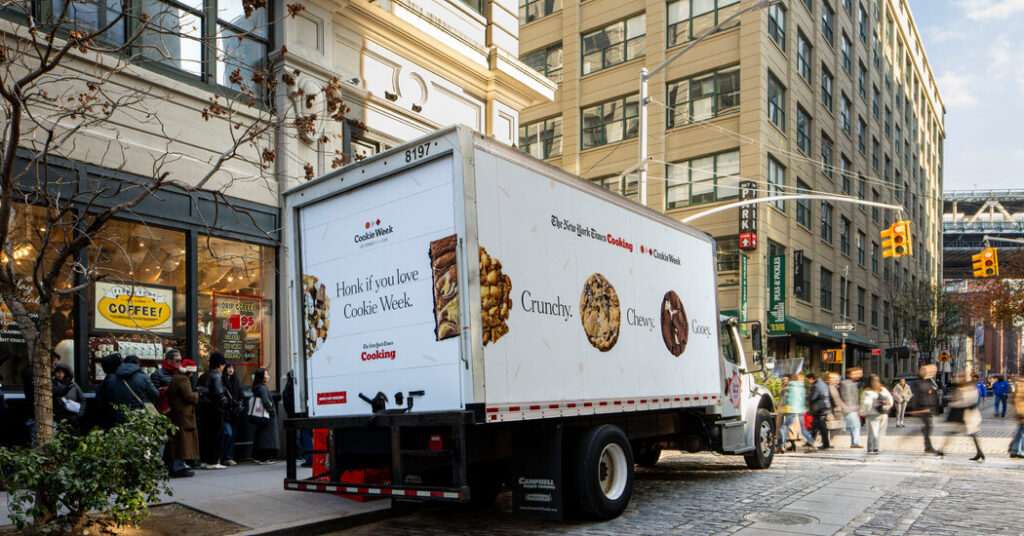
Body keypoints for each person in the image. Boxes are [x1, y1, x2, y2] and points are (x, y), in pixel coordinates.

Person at [166, 356, 199, 478]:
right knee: (182, 441)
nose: (192, 375)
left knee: (176, 441)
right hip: (183, 415)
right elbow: (189, 396)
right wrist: (197, 394)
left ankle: (175, 465)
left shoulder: (175, 378)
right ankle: (178, 466)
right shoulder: (183, 380)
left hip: (176, 413)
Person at [942, 371, 985, 461]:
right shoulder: (962, 387)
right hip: (961, 415)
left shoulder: (968, 387)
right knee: (953, 432)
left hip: (968, 415)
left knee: (970, 433)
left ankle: (979, 452)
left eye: (960, 377)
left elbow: (966, 401)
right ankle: (942, 450)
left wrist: (953, 403)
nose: (958, 379)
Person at [197, 352, 229, 469]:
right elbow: (219, 394)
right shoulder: (216, 376)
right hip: (215, 410)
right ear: (220, 365)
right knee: (216, 436)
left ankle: (205, 460)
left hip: (204, 410)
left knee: (206, 436)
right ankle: (214, 461)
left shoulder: (203, 376)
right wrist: (225, 403)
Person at [106, 355, 159, 423]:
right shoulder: (143, 377)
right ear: (137, 364)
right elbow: (155, 393)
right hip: (141, 415)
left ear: (123, 363)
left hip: (121, 416)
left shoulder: (113, 379)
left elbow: (110, 398)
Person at [776, 374, 816, 453]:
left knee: (783, 427)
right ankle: (811, 442)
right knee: (802, 429)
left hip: (789, 409)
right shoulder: (801, 388)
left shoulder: (789, 388)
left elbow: (784, 398)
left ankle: (781, 445)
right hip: (800, 410)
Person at [908, 364, 941, 454]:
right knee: (928, 426)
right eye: (923, 371)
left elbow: (932, 395)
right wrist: (916, 410)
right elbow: (916, 397)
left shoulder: (929, 381)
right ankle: (928, 446)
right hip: (923, 409)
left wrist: (934, 409)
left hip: (928, 409)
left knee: (928, 427)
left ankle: (927, 444)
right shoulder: (919, 383)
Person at [859, 374, 893, 454]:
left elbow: (867, 403)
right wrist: (887, 408)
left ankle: (872, 448)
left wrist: (864, 413)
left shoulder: (867, 391)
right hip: (884, 414)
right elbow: (890, 401)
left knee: (872, 432)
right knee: (881, 432)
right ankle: (879, 447)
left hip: (872, 414)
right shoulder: (883, 389)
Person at [251, 368, 279, 464]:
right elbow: (266, 401)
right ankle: (264, 458)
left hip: (260, 414)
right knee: (266, 436)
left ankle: (258, 456)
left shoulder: (258, 387)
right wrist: (272, 412)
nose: (268, 376)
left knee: (261, 435)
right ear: (262, 376)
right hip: (265, 415)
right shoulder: (262, 388)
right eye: (266, 374)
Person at [52, 363, 86, 435]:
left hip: (73, 418)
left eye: (62, 372)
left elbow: (82, 399)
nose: (60, 374)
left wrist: (80, 413)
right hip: (59, 418)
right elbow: (57, 391)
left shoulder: (73, 385)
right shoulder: (53, 385)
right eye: (58, 372)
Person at [221, 363, 243, 466]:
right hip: (226, 412)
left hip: (234, 413)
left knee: (233, 435)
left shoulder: (236, 381)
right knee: (228, 433)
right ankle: (223, 456)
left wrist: (240, 405)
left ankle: (229, 456)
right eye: (229, 368)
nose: (231, 370)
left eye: (232, 368)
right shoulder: (221, 380)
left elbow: (240, 395)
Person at [806, 372, 832, 450]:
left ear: (812, 378)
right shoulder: (823, 384)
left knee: (821, 427)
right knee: (815, 426)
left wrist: (805, 398)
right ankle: (810, 442)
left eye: (809, 379)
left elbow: (813, 397)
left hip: (819, 409)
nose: (808, 381)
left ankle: (826, 444)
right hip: (824, 407)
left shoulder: (816, 386)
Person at [839, 368, 863, 448]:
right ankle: (855, 442)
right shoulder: (845, 383)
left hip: (853, 408)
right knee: (855, 426)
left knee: (856, 425)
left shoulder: (853, 383)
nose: (859, 375)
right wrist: (847, 408)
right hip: (849, 408)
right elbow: (846, 397)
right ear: (849, 374)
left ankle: (855, 442)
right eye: (856, 373)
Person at [825, 373, 847, 445]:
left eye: (836, 378)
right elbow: (835, 399)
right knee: (831, 426)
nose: (835, 380)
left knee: (834, 426)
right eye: (833, 378)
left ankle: (827, 441)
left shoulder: (835, 387)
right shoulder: (829, 387)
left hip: (835, 409)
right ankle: (827, 442)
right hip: (831, 409)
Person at [1010, 376, 1024, 458]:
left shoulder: (1020, 384)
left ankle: (1015, 450)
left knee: (1020, 432)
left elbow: (1014, 399)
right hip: (1022, 411)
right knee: (1021, 433)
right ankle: (1019, 451)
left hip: (1019, 411)